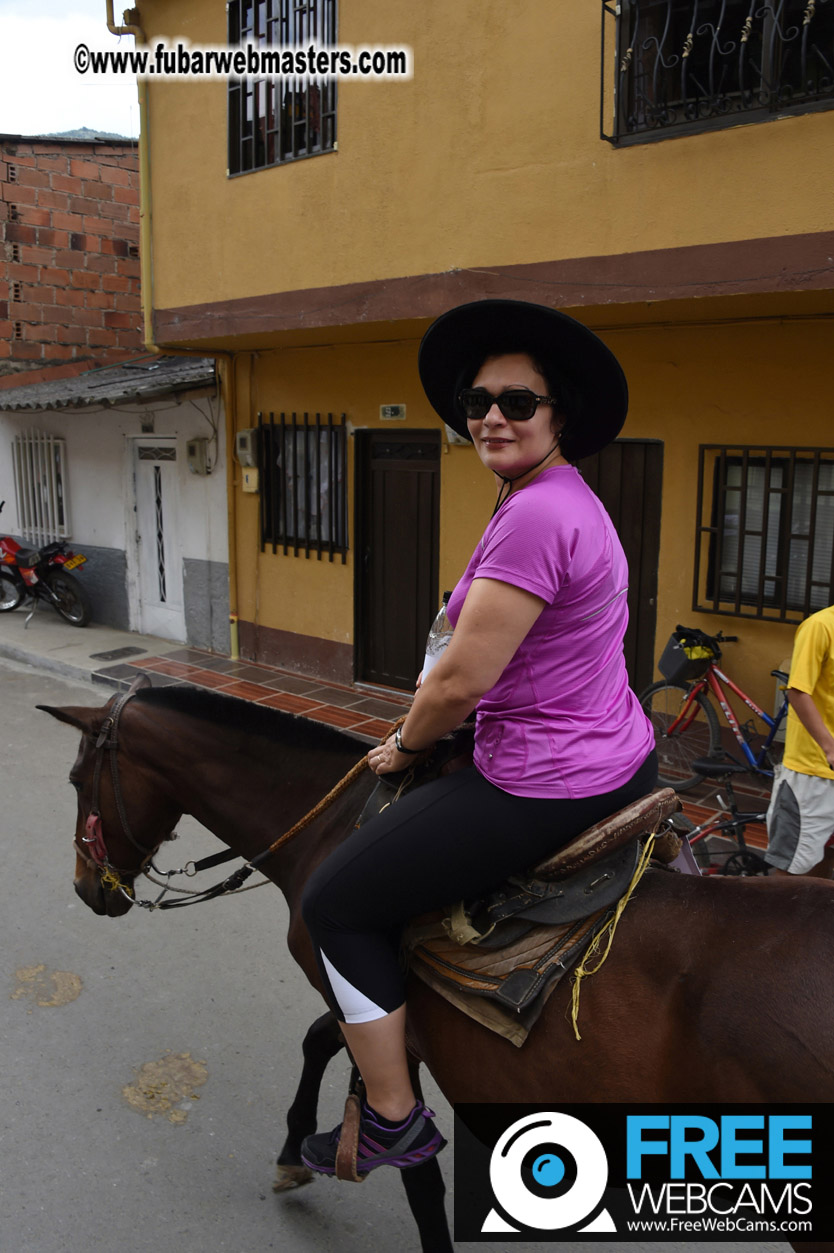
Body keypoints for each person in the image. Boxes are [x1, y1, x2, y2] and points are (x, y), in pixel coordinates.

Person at [300, 299, 657, 1177]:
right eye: (476, 399)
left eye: (518, 401)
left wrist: (408, 747)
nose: (492, 415)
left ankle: (390, 1117)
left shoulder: (536, 514)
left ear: (557, 413)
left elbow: (461, 680)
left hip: (543, 773)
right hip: (619, 745)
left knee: (333, 905)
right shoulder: (552, 495)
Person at [765, 603, 834, 877]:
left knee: (825, 860)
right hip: (812, 772)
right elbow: (798, 692)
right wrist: (830, 748)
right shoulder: (820, 626)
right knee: (791, 868)